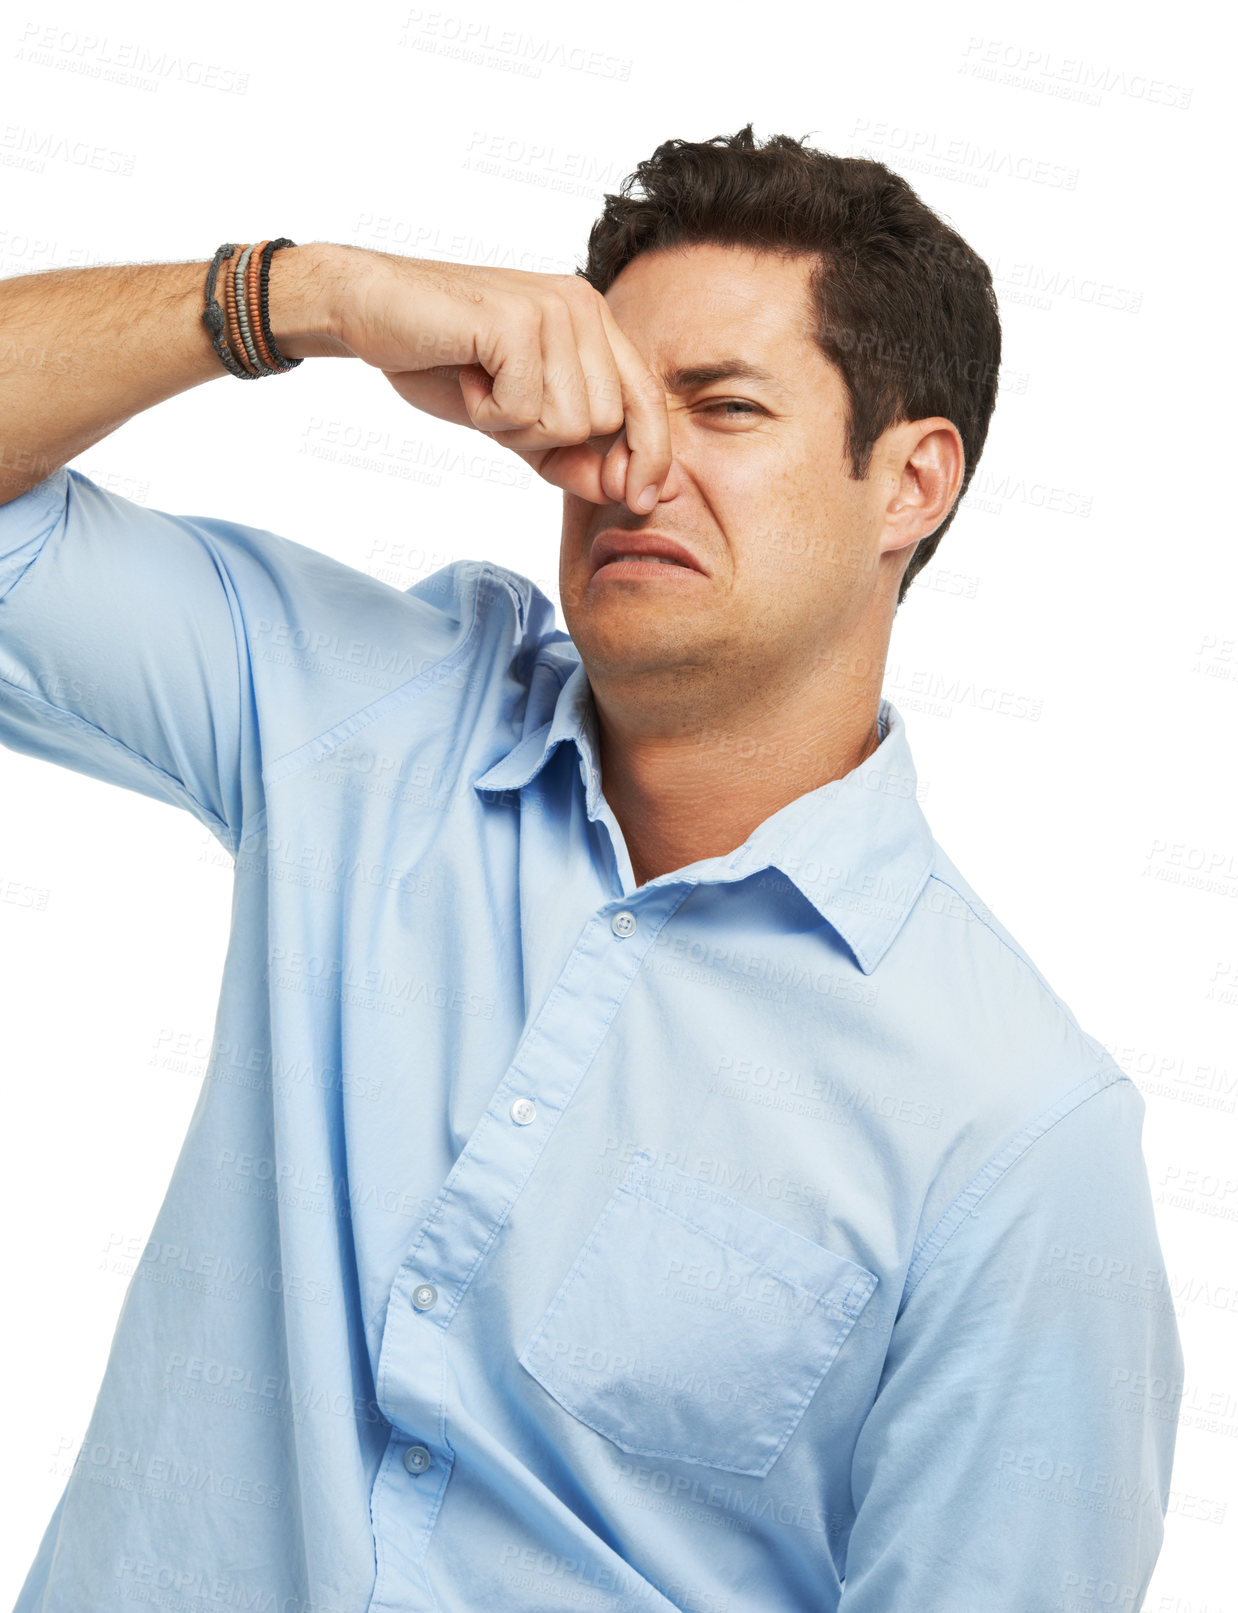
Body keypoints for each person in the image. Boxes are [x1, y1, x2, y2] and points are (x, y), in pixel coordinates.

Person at [0, 125, 1182, 1612]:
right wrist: (310, 296)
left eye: (723, 408)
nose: (631, 464)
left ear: (911, 481)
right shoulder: (366, 720)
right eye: (613, 402)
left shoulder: (1012, 1133)